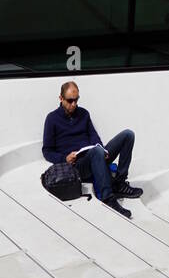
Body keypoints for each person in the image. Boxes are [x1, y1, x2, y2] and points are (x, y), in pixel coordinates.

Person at [42, 80, 142, 219]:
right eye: (70, 101)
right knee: (96, 152)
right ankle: (108, 198)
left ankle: (119, 182)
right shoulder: (52, 119)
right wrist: (64, 158)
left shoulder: (84, 114)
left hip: (94, 155)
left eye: (76, 100)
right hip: (77, 165)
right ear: (61, 98)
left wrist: (102, 149)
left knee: (128, 135)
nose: (74, 104)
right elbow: (47, 151)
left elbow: (94, 137)